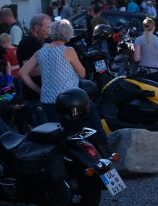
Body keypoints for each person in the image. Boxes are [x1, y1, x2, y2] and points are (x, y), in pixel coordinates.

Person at [19, 19, 109, 153]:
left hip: (48, 102)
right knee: (94, 125)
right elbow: (82, 73)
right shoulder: (68, 50)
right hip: (70, 101)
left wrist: (38, 90)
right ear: (68, 34)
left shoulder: (40, 52)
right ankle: (106, 152)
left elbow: (23, 73)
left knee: (59, 137)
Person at [134, 17, 158, 82]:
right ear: (154, 27)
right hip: (156, 71)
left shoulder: (138, 40)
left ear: (143, 27)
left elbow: (136, 59)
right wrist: (155, 57)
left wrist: (145, 56)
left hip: (143, 71)